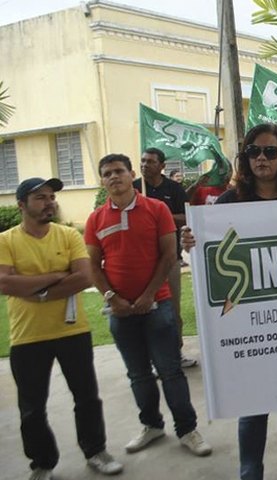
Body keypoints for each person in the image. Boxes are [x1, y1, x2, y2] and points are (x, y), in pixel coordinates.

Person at [181, 123, 277, 480]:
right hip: (251, 323)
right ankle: (251, 474)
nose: (262, 158)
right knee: (253, 406)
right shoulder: (229, 203)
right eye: (254, 152)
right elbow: (212, 254)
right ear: (245, 159)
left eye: (270, 152)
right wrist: (191, 241)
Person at [85, 154, 212, 457]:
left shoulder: (156, 209)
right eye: (107, 174)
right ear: (102, 181)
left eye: (119, 171)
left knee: (170, 372)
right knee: (138, 375)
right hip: (120, 311)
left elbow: (169, 256)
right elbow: (93, 265)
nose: (114, 177)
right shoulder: (96, 219)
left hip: (158, 307)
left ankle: (187, 429)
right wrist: (112, 299)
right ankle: (152, 425)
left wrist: (148, 295)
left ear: (131, 175)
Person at [0, 177, 124, 480]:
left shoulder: (68, 235)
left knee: (87, 397)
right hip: (28, 335)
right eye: (40, 197)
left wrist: (33, 289)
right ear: (21, 205)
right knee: (32, 408)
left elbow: (83, 277)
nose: (49, 202)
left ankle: (96, 451)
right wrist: (58, 275)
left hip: (73, 332)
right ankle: (42, 463)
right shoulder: (5, 241)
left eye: (51, 196)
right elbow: (4, 282)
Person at [133, 148, 197, 368]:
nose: (144, 165)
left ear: (162, 166)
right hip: (140, 262)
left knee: (171, 309)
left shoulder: (174, 189)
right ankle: (149, 359)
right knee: (144, 312)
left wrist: (161, 215)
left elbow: (188, 215)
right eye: (142, 161)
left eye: (150, 161)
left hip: (169, 260)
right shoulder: (134, 189)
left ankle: (175, 354)